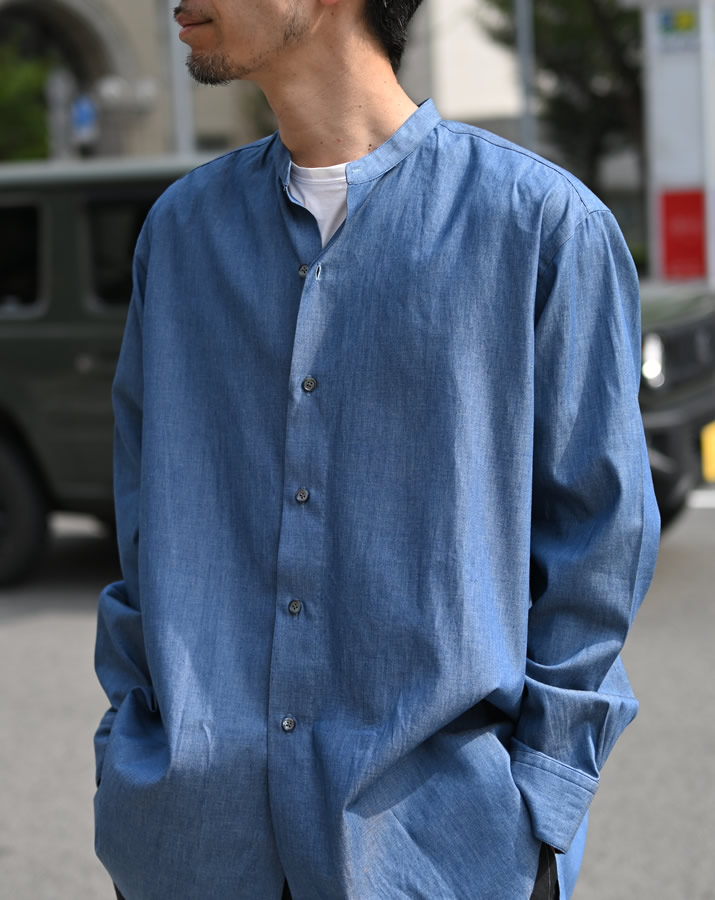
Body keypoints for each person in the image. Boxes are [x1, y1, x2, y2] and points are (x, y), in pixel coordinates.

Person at [93, 0, 661, 897]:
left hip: (441, 854)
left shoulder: (540, 227)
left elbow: (598, 542)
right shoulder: (180, 232)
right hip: (193, 846)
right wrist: (129, 747)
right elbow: (139, 523)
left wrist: (541, 809)